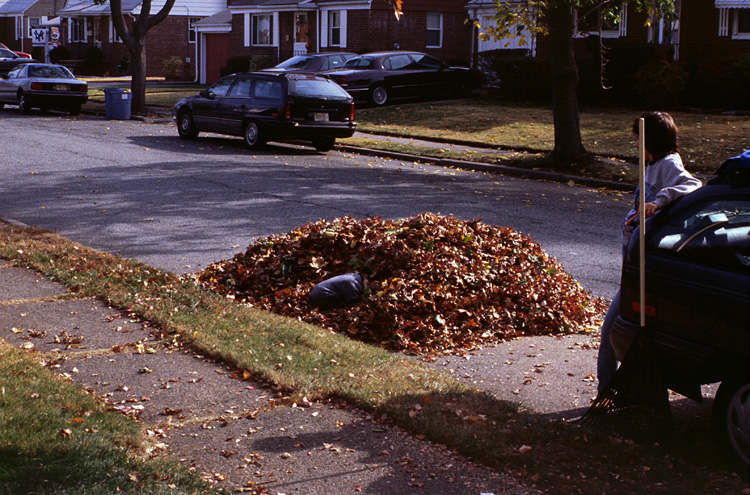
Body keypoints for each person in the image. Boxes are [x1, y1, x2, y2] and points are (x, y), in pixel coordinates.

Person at [597, 111, 702, 391]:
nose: (635, 146)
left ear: (652, 140)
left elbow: (692, 185)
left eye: (638, 140)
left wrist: (660, 200)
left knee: (610, 330)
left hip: (642, 266)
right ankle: (623, 387)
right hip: (631, 257)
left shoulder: (668, 164)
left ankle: (605, 390)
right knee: (623, 331)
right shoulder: (652, 164)